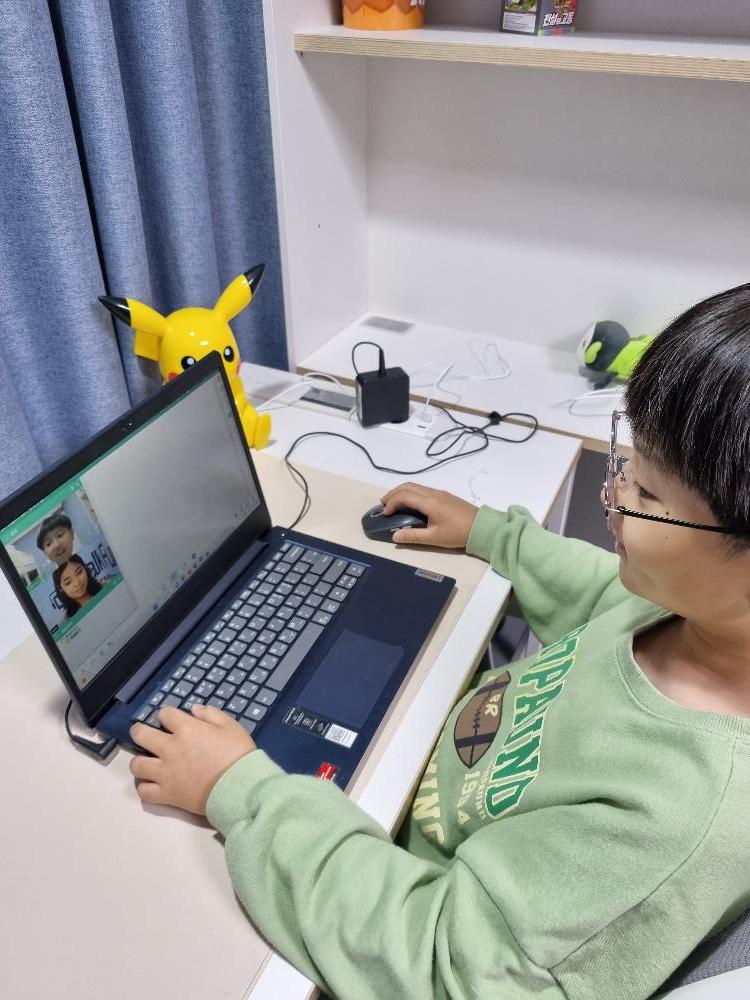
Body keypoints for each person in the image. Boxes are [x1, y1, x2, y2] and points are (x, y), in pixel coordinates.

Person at [128, 283, 750, 1000]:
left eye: (647, 494)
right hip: (411, 783)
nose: (612, 496)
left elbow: (437, 965)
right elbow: (602, 596)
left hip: (390, 891)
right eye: (627, 463)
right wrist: (491, 533)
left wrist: (241, 791)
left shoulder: (673, 823)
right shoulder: (694, 620)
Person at [53, 554, 103, 618]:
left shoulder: (105, 586)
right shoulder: (69, 620)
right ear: (60, 588)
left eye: (79, 572)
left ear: (85, 568)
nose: (77, 583)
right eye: (68, 582)